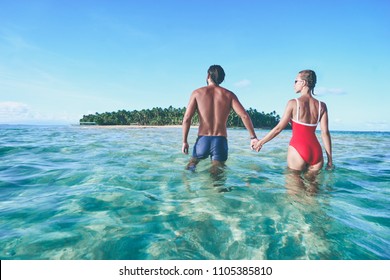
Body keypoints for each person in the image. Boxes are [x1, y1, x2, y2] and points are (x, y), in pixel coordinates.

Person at [182, 65, 258, 172]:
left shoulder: (197, 93)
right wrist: (253, 137)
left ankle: (187, 186)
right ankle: (216, 188)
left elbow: (187, 118)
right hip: (220, 140)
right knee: (217, 173)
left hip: (203, 139)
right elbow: (244, 116)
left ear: (208, 75)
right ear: (221, 79)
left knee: (192, 165)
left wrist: (184, 141)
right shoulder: (229, 95)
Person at [253, 70, 333, 172]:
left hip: (298, 149)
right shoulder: (322, 106)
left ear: (303, 83)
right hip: (316, 152)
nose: (293, 85)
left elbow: (278, 128)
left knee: (294, 187)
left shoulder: (293, 103)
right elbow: (325, 133)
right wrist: (330, 160)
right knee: (314, 188)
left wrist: (260, 142)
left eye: (296, 81)